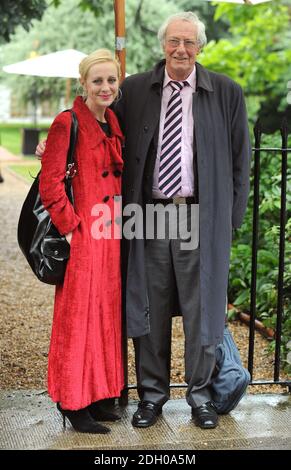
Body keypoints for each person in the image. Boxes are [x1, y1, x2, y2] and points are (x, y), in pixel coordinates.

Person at [114, 11, 251, 429]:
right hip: (150, 216)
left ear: (200, 47)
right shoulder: (135, 88)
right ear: (162, 44)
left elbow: (241, 160)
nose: (181, 50)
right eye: (174, 41)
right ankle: (151, 397)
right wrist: (61, 138)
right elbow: (108, 135)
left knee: (201, 311)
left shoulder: (226, 92)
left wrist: (230, 220)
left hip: (199, 215)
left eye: (189, 43)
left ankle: (201, 397)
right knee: (148, 309)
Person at [38, 49, 124, 433]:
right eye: (98, 81)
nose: (105, 87)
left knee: (104, 316)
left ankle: (100, 395)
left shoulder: (112, 121)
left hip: (110, 234)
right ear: (83, 84)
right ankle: (72, 402)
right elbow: (50, 182)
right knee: (77, 318)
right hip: (84, 237)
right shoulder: (66, 122)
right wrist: (71, 230)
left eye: (111, 80)